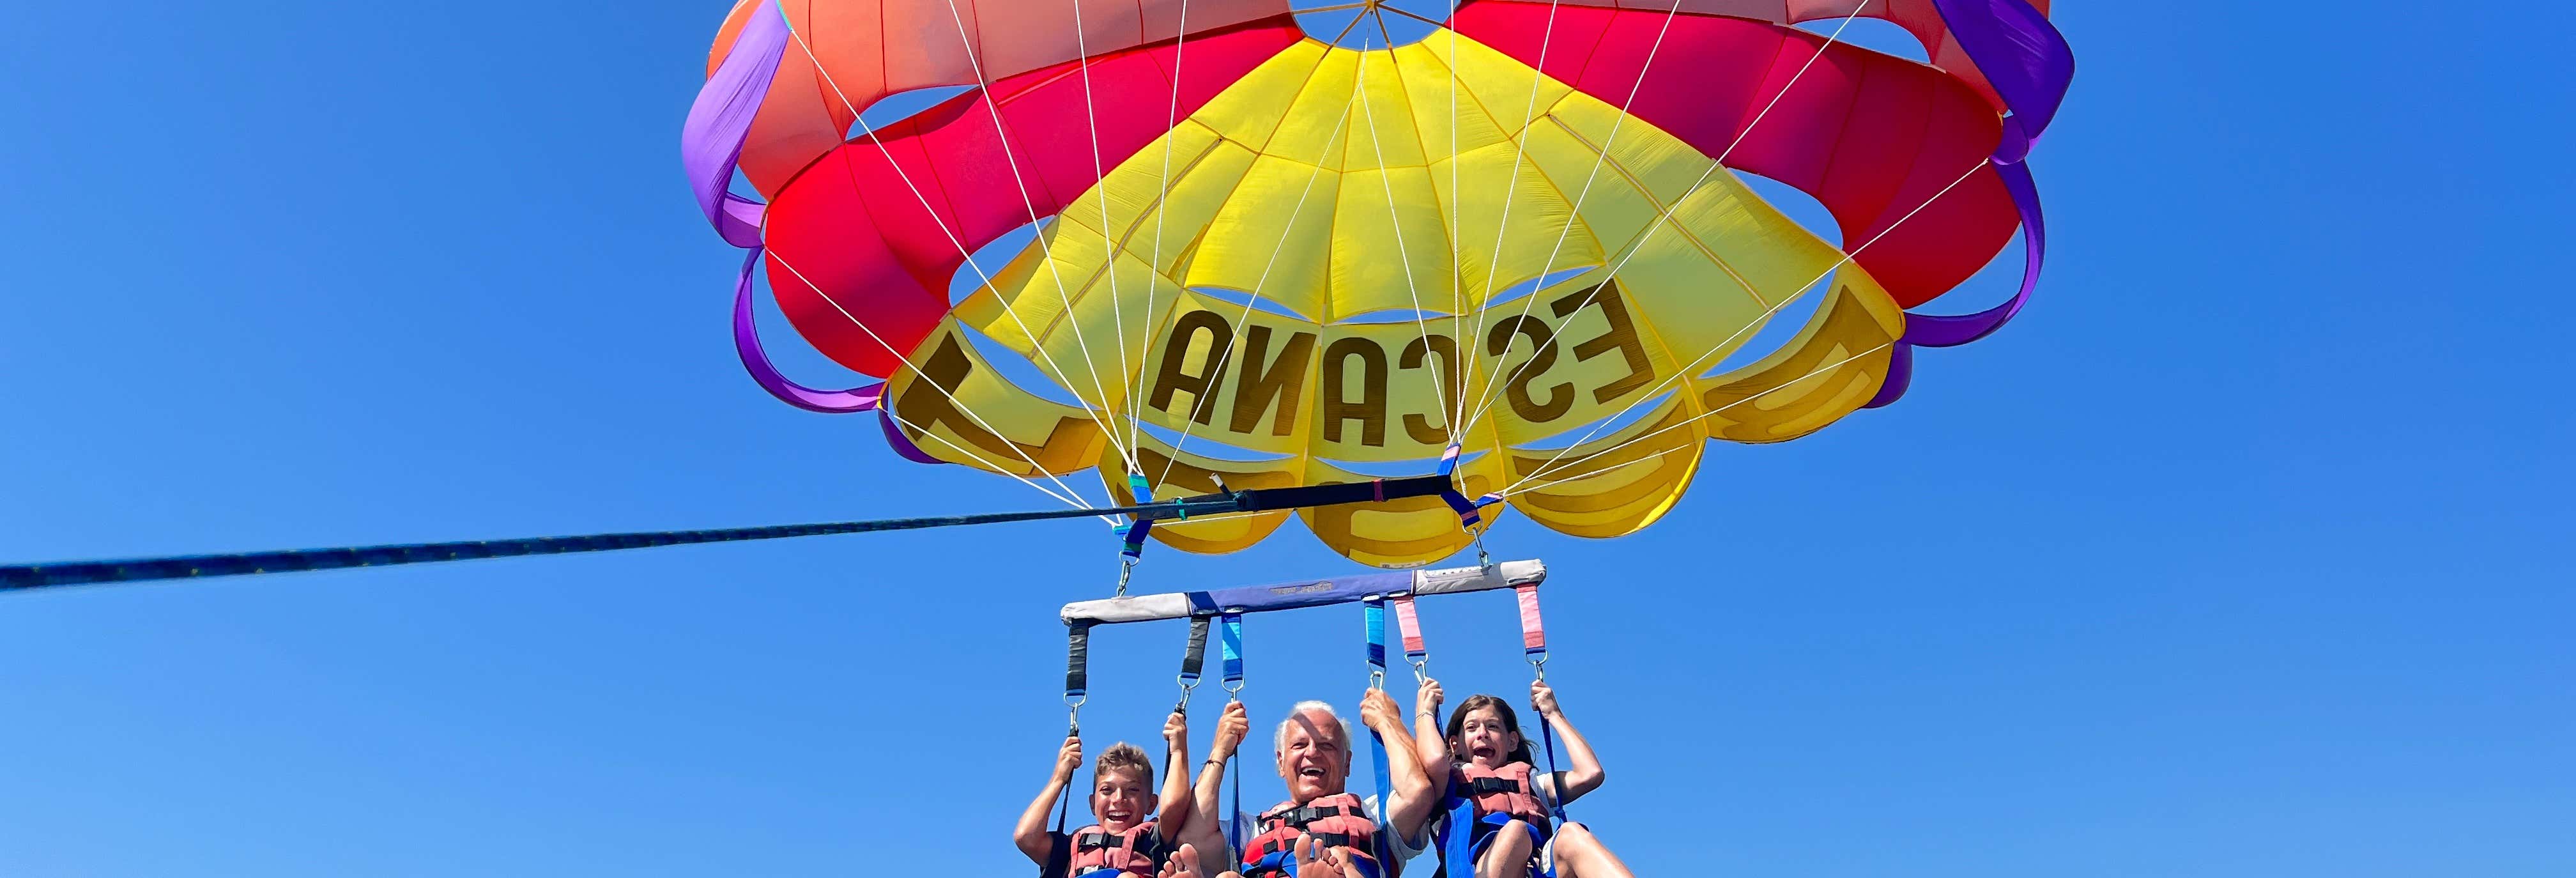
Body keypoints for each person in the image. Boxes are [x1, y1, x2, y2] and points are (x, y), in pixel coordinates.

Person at [1190, 691, 1441, 878]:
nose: (1312, 753)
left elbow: (1417, 792)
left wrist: (1388, 721)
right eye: (1299, 745)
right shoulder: (1252, 829)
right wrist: (1221, 750)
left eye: (1327, 745)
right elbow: (1194, 839)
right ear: (1281, 762)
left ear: (1347, 764)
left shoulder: (1375, 815)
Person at [1413, 679, 1634, 878]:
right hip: (1475, 868)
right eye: (1472, 728)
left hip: (1534, 868)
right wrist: (1425, 711)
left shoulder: (1533, 784)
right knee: (1516, 832)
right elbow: (1434, 760)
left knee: (1571, 832)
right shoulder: (1446, 783)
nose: (1482, 733)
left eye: (1493, 726)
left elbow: (1591, 774)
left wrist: (1554, 714)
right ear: (1455, 745)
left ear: (1512, 742)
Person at [1016, 711, 1200, 878]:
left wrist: (1178, 751)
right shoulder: (1071, 847)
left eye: (1132, 790)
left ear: (1151, 804)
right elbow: (1026, 837)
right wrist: (1059, 777)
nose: (1119, 799)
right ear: (1092, 803)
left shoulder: (1153, 841)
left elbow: (1173, 805)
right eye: (1107, 790)